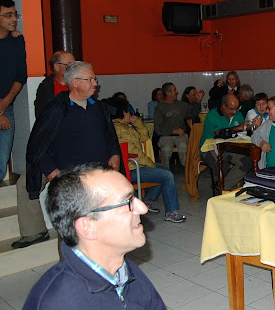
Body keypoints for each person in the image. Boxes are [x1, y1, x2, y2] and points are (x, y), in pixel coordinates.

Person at [23, 164, 166, 309]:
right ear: (88, 227)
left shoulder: (125, 271)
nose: (143, 208)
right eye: (128, 202)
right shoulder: (58, 302)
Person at [14, 61, 121, 249]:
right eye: (90, 80)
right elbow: (38, 144)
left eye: (95, 79)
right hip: (69, 176)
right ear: (75, 82)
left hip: (96, 176)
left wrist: (114, 154)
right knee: (71, 230)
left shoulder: (99, 108)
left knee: (101, 226)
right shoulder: (56, 109)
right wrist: (52, 171)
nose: (95, 84)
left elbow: (110, 136)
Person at [111, 98, 185, 222]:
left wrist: (137, 123)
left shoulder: (125, 126)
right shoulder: (120, 129)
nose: (130, 114)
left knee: (165, 169)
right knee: (166, 175)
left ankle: (149, 200)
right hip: (130, 168)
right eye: (128, 111)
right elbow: (136, 154)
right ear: (123, 112)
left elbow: (144, 138)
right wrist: (151, 164)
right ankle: (171, 212)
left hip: (135, 165)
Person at [200, 94, 251, 192]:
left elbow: (243, 132)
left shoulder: (238, 114)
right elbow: (219, 133)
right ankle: (224, 188)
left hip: (229, 149)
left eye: (236, 109)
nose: (234, 112)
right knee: (222, 165)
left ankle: (222, 187)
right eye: (232, 109)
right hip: (209, 148)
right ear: (223, 106)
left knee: (247, 161)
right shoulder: (213, 114)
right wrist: (238, 127)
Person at [0, 0, 27, 182]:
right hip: (3, 109)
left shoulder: (17, 40)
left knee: (2, 162)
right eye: (8, 15)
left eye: (15, 15)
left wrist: (4, 105)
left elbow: (20, 76)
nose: (14, 19)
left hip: (6, 105)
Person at [154, 82, 189, 168]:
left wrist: (197, 102)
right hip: (165, 136)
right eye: (174, 90)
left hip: (181, 135)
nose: (177, 92)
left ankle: (187, 169)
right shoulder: (159, 108)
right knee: (166, 149)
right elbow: (158, 128)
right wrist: (173, 131)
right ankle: (166, 170)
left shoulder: (182, 105)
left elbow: (192, 113)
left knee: (183, 147)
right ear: (168, 93)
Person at [34, 51, 76, 117]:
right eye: (69, 65)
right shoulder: (46, 87)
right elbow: (41, 115)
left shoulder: (81, 84)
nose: (74, 68)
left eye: (75, 65)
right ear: (57, 67)